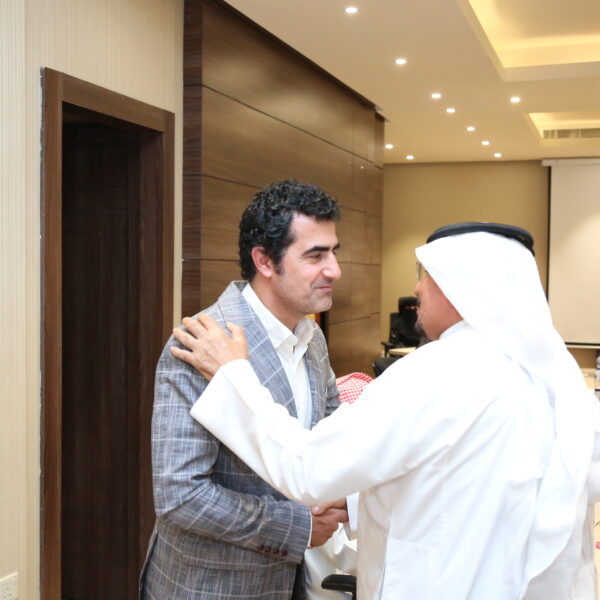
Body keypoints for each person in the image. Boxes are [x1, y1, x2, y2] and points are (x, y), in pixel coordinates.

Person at [173, 222, 600, 599]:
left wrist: (233, 377)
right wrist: (355, 502)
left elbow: (308, 468)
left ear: (456, 287)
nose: (417, 290)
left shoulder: (436, 372)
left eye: (425, 276)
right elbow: (470, 480)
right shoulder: (559, 382)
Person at [140, 179, 349, 600]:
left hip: (292, 582)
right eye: (315, 256)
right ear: (265, 261)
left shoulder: (312, 337)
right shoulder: (200, 344)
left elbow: (327, 436)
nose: (334, 270)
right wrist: (299, 526)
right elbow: (180, 495)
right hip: (213, 587)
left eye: (333, 252)